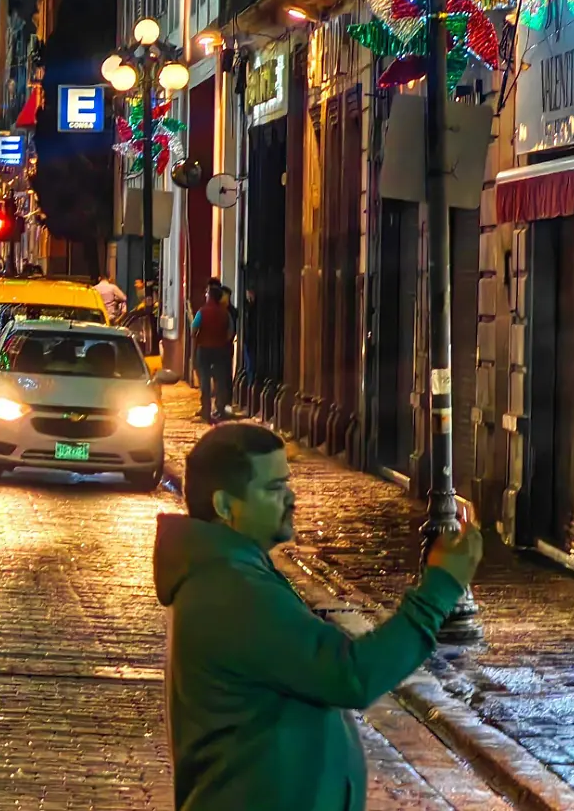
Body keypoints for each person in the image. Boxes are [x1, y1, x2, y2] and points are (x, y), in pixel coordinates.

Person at [154, 424, 481, 811]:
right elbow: (350, 675)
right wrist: (440, 587)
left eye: (287, 483)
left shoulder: (235, 574)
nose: (291, 498)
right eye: (274, 488)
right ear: (226, 506)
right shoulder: (233, 590)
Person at [191, 285, 236, 423]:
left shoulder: (202, 312)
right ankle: (220, 409)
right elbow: (230, 332)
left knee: (204, 381)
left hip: (204, 349)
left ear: (209, 296)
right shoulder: (225, 313)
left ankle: (206, 410)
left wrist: (199, 339)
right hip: (220, 350)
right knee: (220, 380)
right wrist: (221, 340)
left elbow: (193, 328)